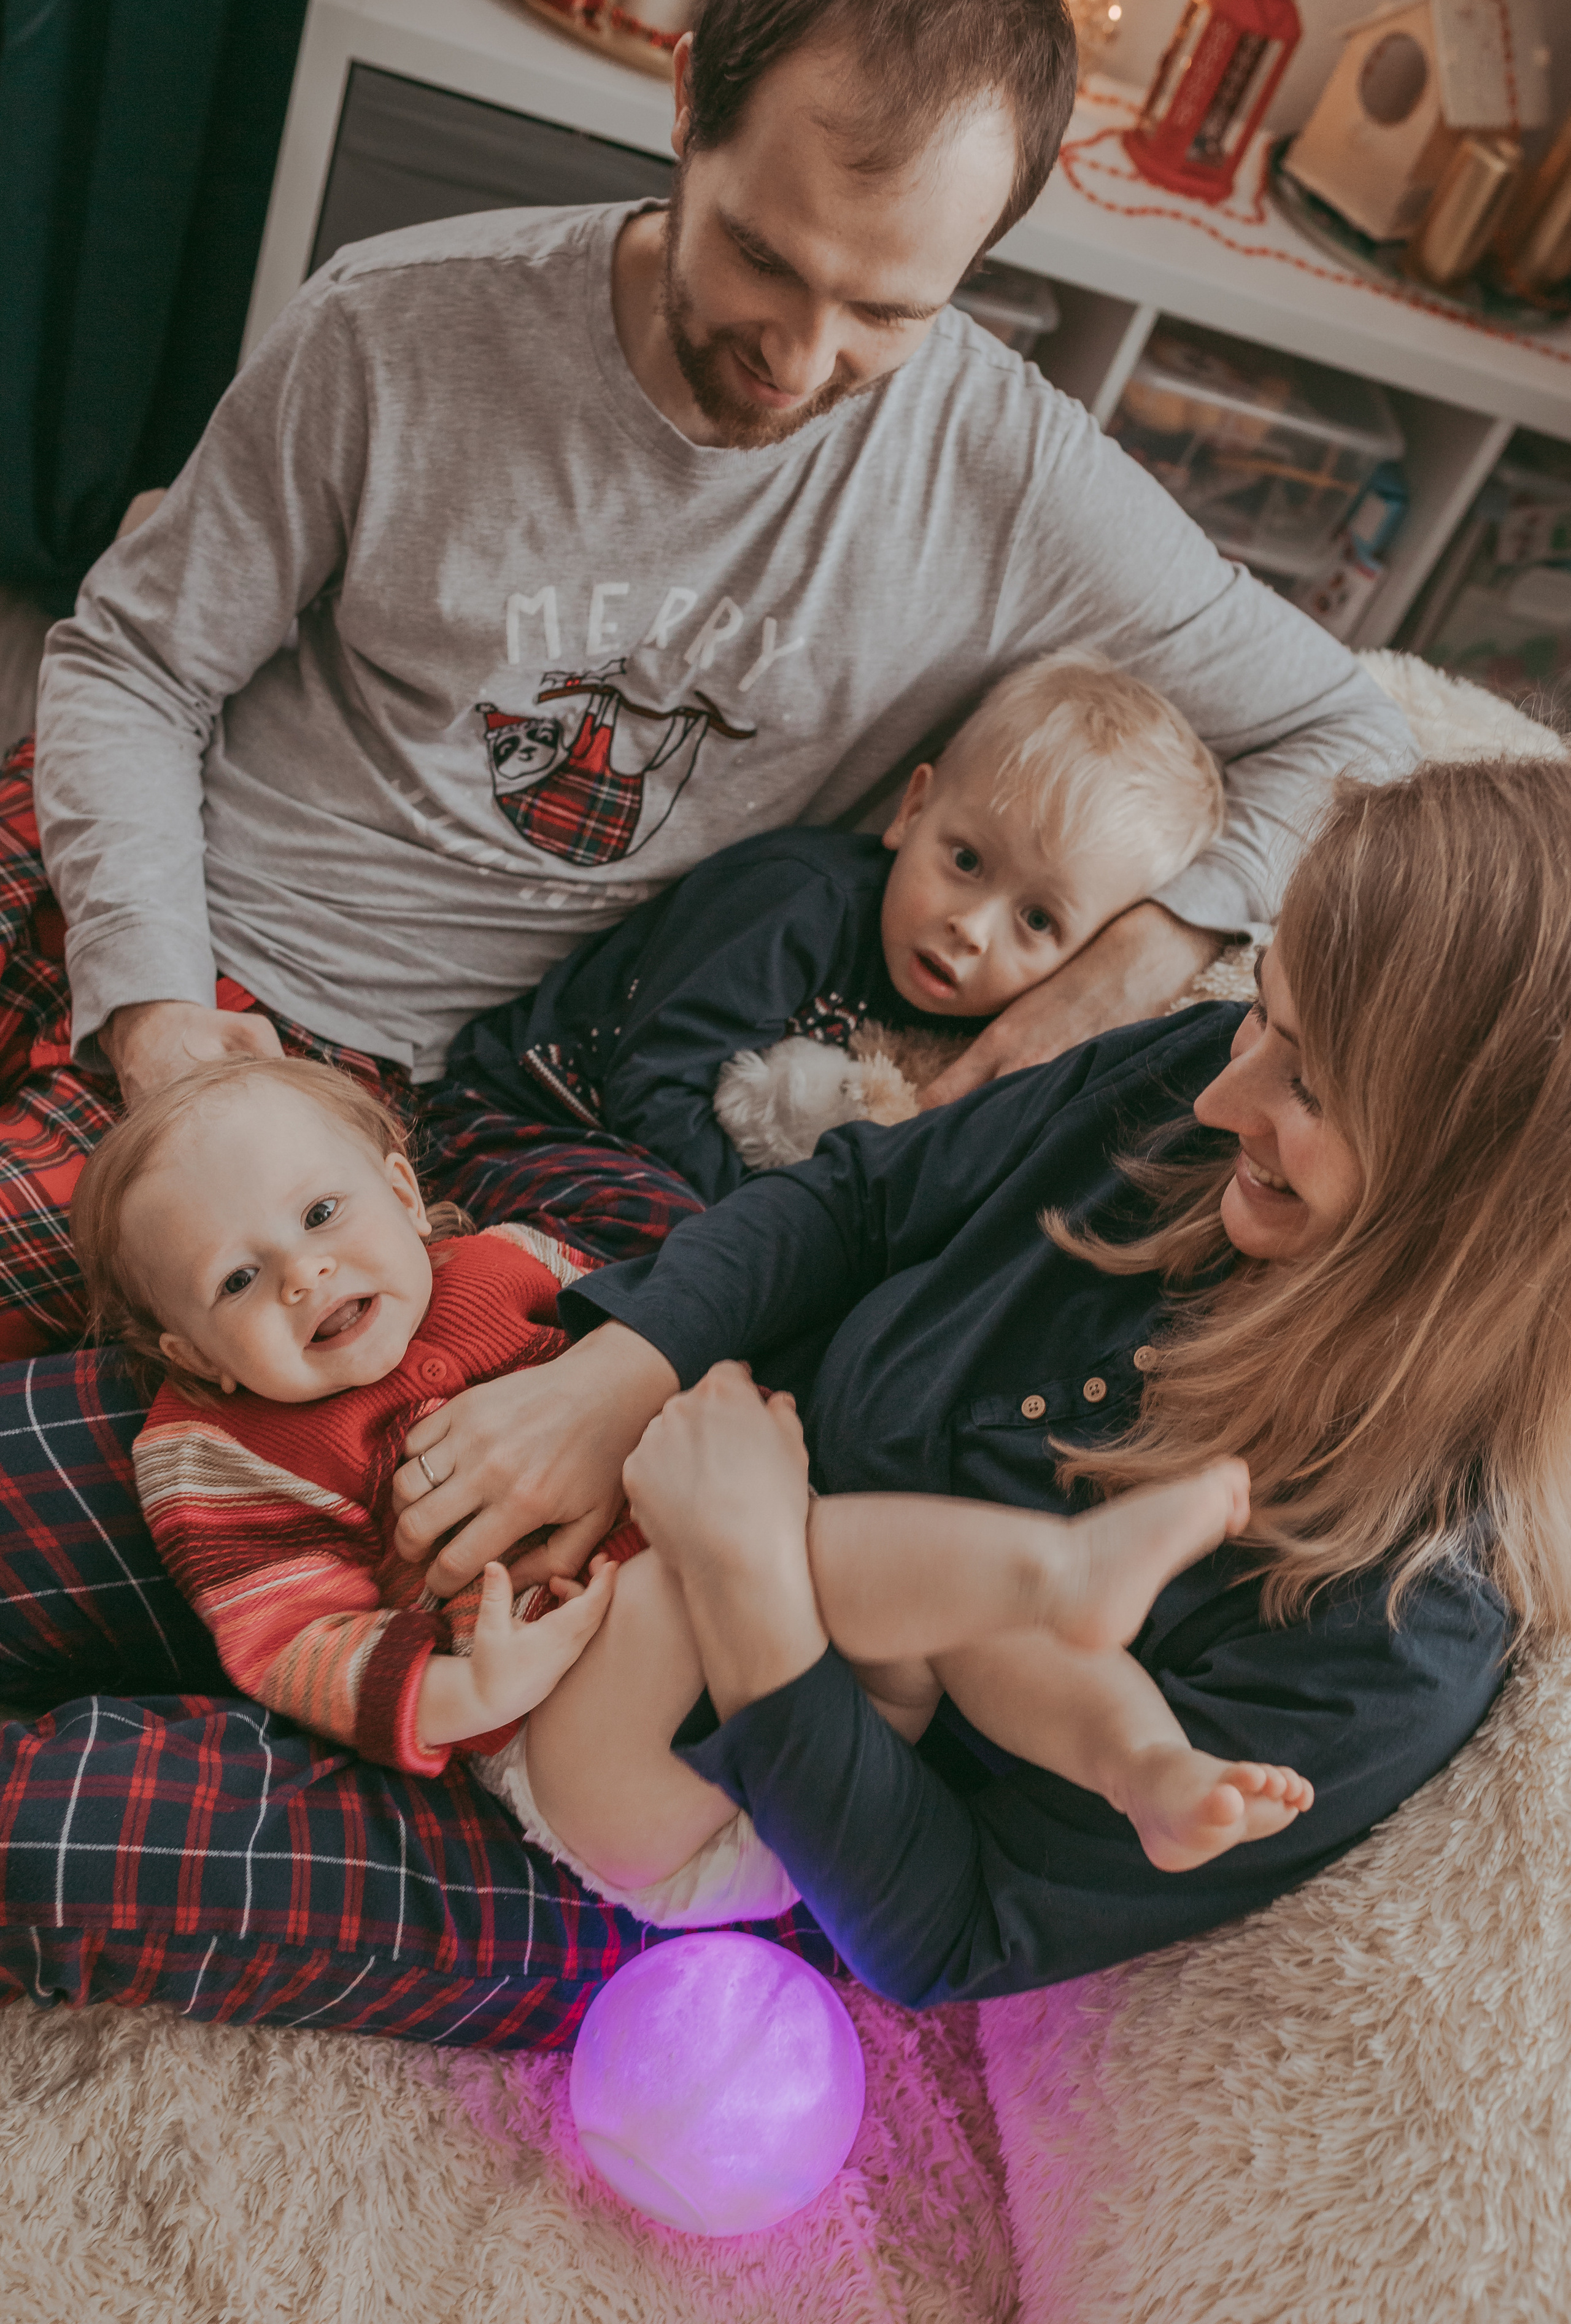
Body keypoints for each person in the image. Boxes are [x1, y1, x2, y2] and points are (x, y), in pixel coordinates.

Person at [0, 756, 1553, 2036]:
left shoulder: (1399, 1618)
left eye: (1306, 1086)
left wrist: (742, 1585)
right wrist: (616, 1375)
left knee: (62, 1833)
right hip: (653, 1443)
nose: (1223, 1092)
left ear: (1471, 1200)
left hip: (687, 1807)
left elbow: (948, 1922)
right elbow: (857, 1202)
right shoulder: (1201, 1076)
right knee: (40, 1479)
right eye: (1260, 1009)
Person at [12, 0, 1415, 1357]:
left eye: (884, 311)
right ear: (689, 103)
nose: (800, 363)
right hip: (205, 944)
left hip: (514, 1082)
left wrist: (1131, 959)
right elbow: (132, 662)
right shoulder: (393, 327)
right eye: (763, 257)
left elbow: (1342, 731)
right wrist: (155, 1013)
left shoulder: (1011, 474)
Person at [70, 1057, 1310, 1929]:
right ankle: (1058, 1567)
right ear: (189, 1351)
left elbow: (671, 1370)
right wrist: (466, 1687)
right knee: (713, 1565)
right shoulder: (217, 1448)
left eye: (323, 1212)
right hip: (597, 1778)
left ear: (402, 1193)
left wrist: (720, 1423)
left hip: (834, 1742)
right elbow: (286, 1637)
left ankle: (1142, 1764)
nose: (304, 1275)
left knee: (930, 1610)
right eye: (237, 1282)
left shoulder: (516, 1269)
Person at [439, 647, 1224, 1204]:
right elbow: (653, 1080)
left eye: (1039, 920)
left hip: (651, 1153)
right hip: (530, 1108)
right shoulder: (797, 904)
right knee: (672, 1250)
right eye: (966, 862)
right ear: (912, 810)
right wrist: (770, 1226)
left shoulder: (992, 1033)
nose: (971, 929)